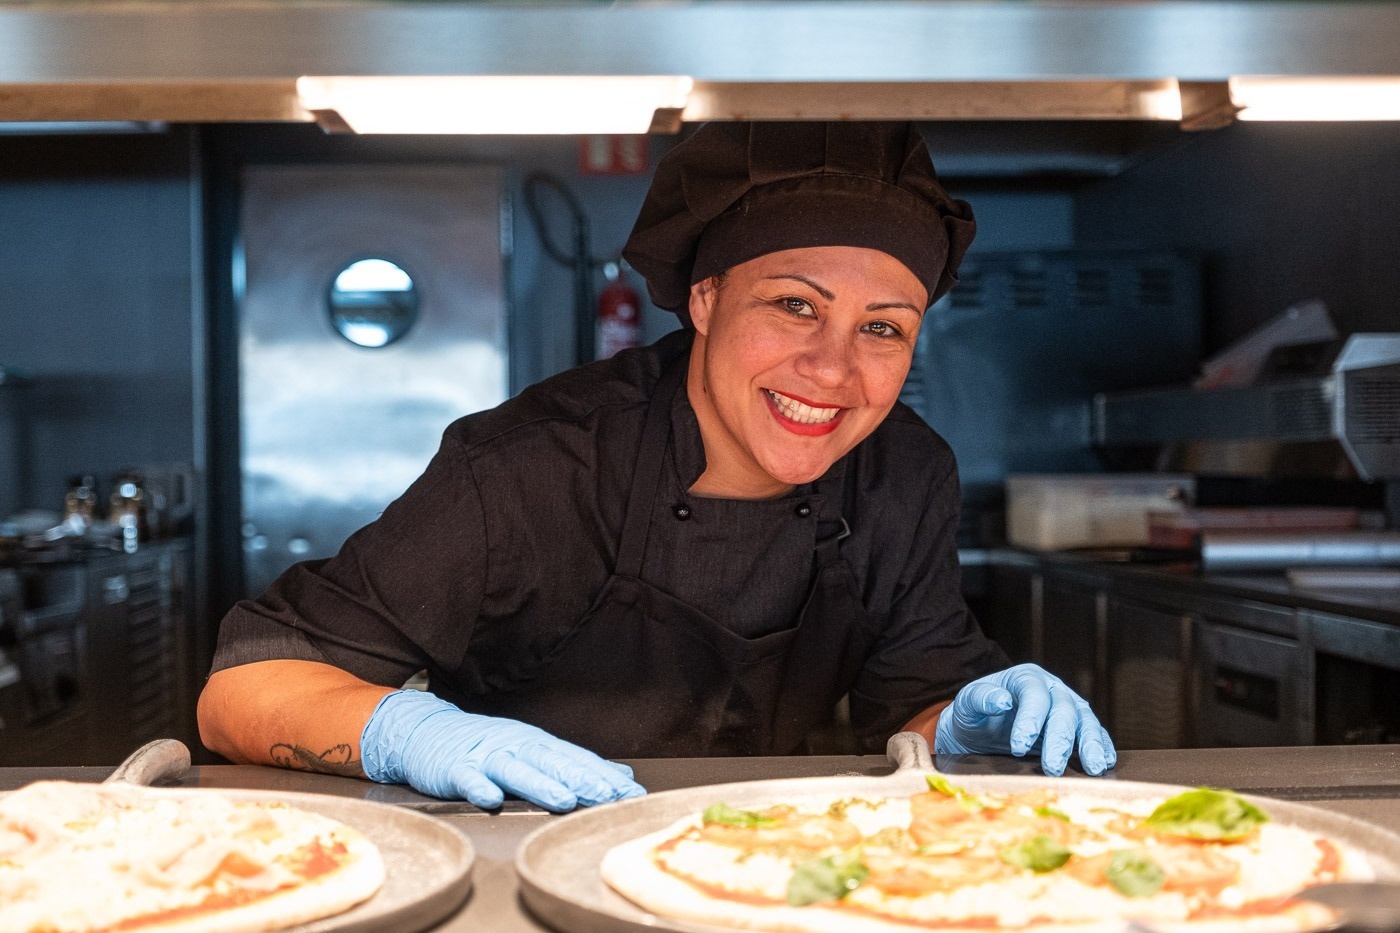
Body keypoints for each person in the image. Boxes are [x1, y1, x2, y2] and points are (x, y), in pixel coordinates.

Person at [198, 121, 1116, 814]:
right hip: (507, 855)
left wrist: (959, 730)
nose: (835, 369)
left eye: (883, 326)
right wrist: (406, 731)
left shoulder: (903, 475)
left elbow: (914, 707)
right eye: (796, 305)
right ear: (705, 297)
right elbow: (244, 688)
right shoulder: (530, 467)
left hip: (754, 864)